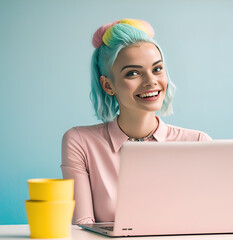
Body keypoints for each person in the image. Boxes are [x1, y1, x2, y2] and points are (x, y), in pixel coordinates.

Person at [61, 19, 211, 225]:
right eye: (133, 73)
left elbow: (210, 220)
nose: (151, 81)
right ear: (108, 85)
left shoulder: (198, 143)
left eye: (157, 69)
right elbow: (83, 225)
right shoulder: (80, 142)